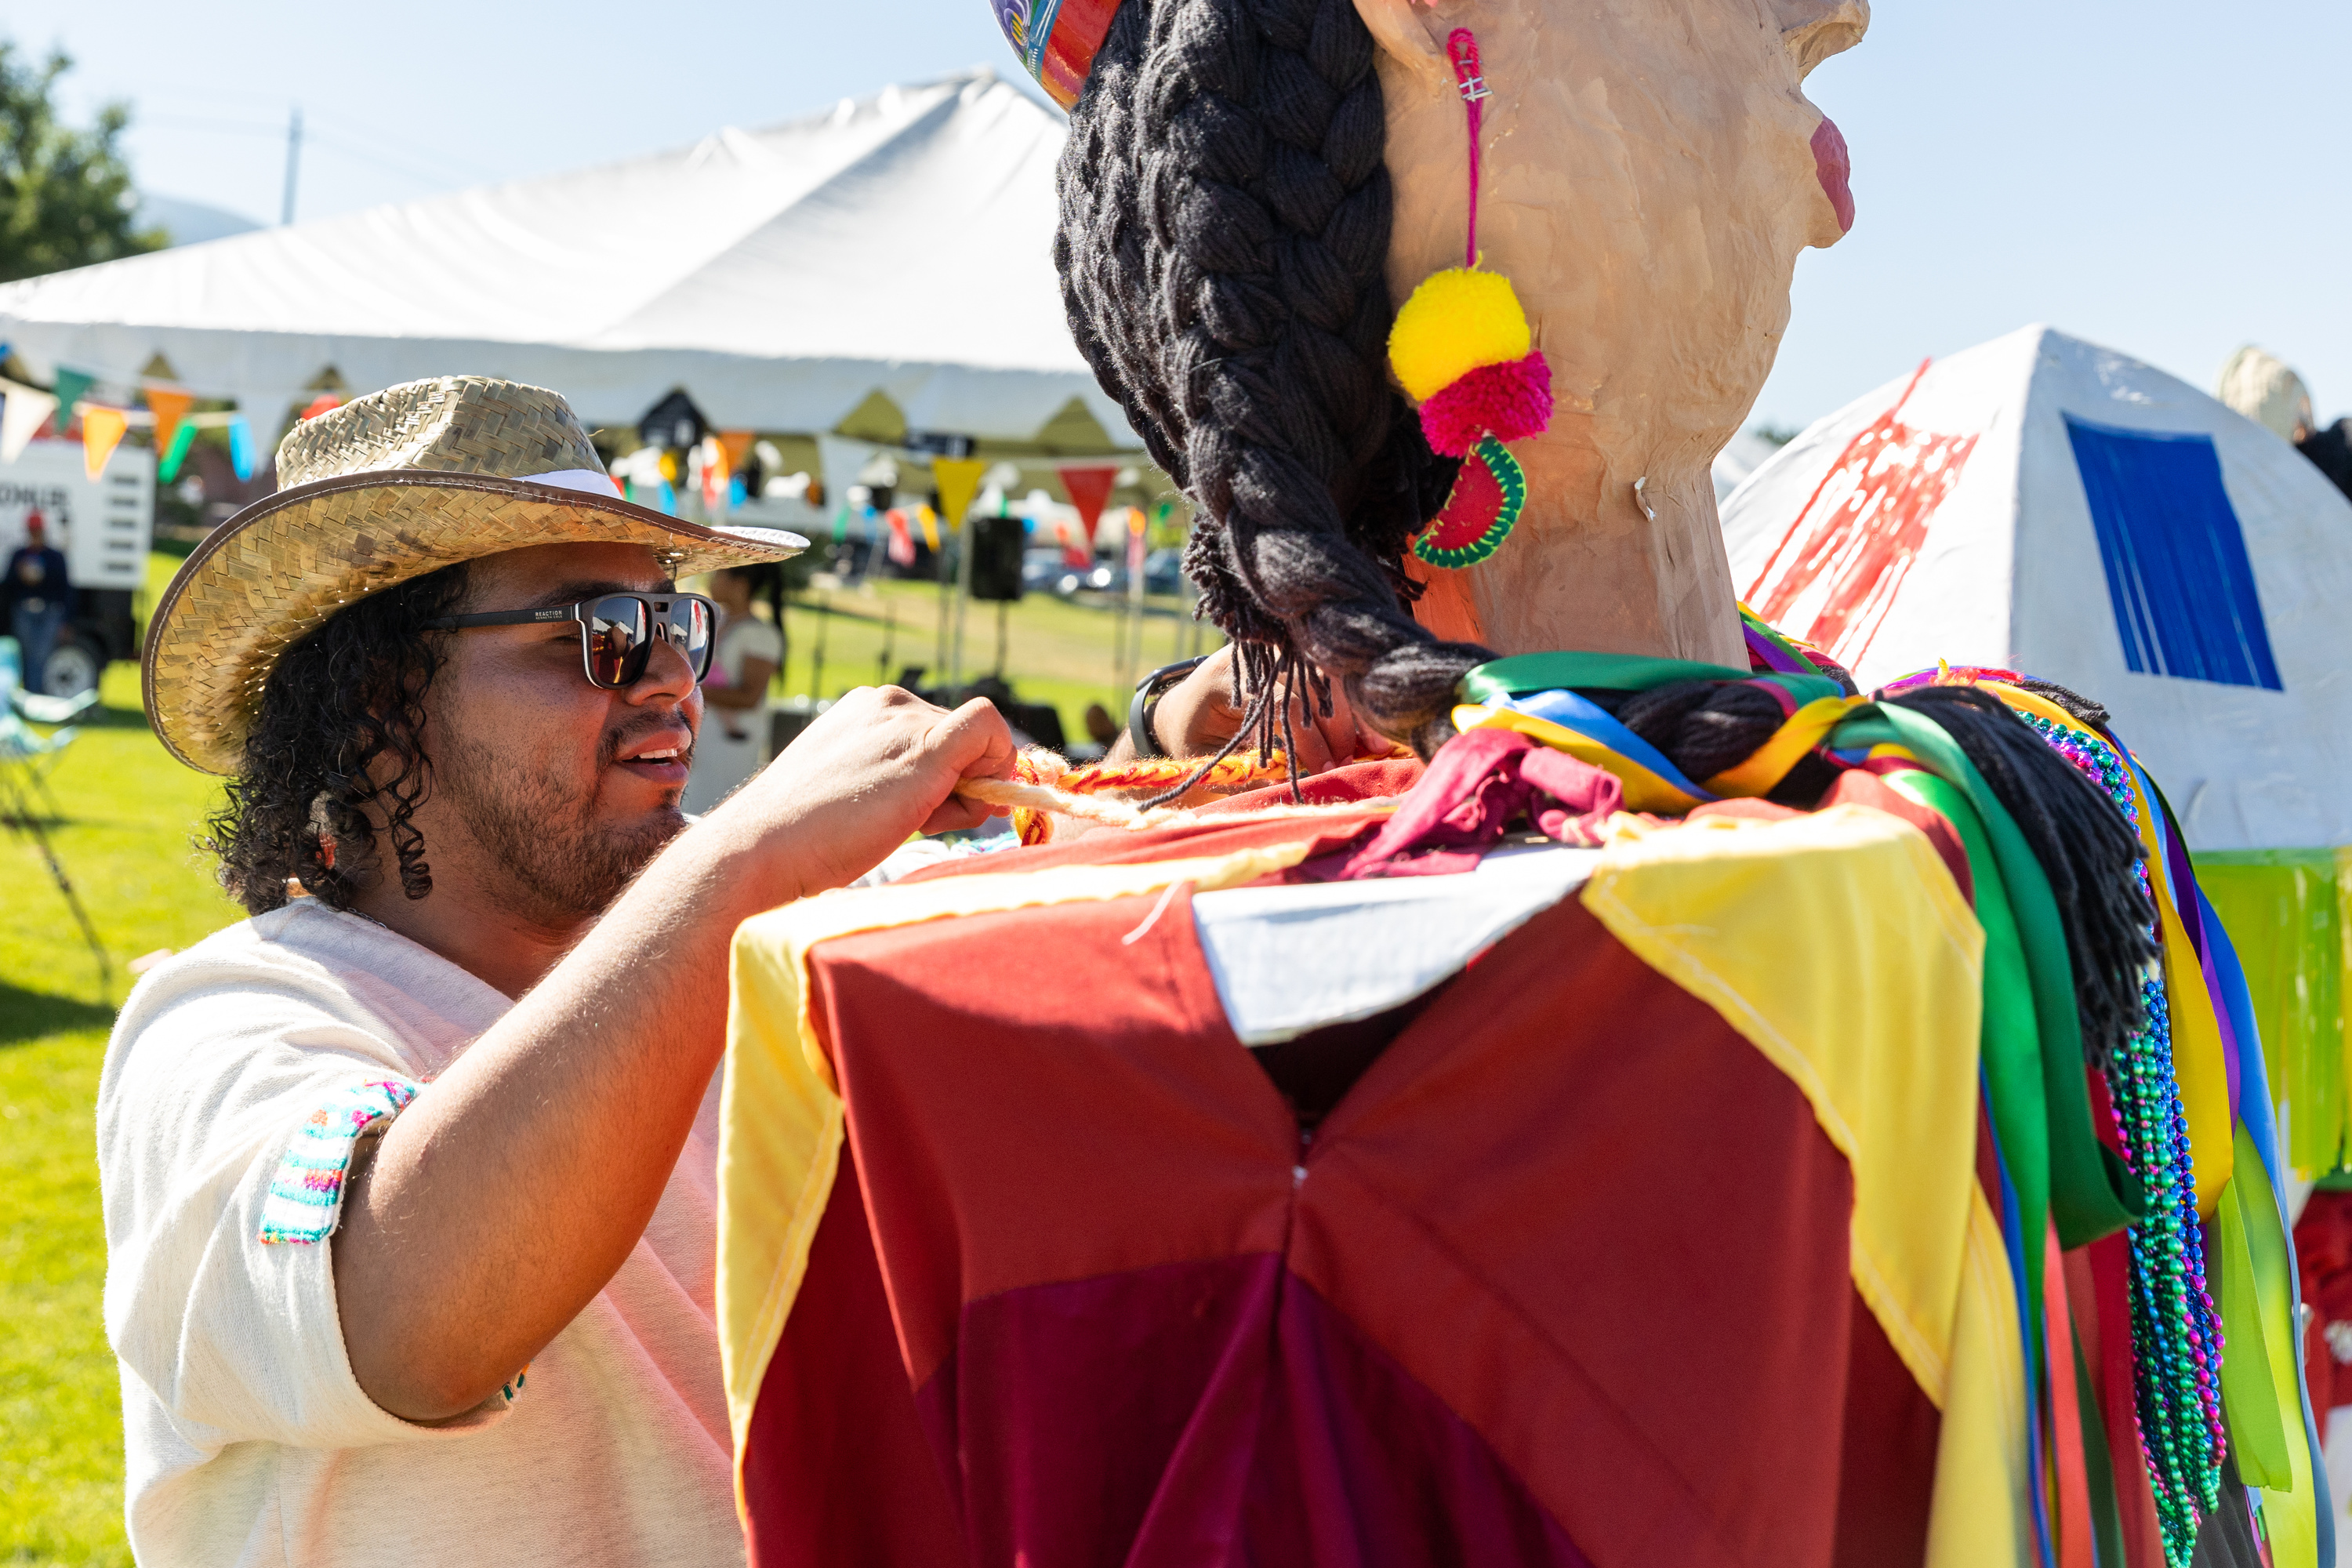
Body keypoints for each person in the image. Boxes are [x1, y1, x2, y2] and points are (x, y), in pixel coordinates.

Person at [99, 375, 1018, 1567]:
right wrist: (748, 857)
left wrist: (1166, 741)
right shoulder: (223, 1023)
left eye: (674, 624)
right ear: (385, 694)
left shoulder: (738, 942)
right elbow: (407, 1316)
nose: (671, 682)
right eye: (599, 637)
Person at [680, 564, 783, 815]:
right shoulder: (715, 622)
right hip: (699, 739)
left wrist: (689, 687)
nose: (711, 580)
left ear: (741, 584)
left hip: (728, 744)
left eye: (719, 574)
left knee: (712, 812)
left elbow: (749, 697)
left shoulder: (760, 635)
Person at [5, 509, 71, 693]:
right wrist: (21, 573)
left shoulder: (54, 557)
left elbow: (65, 589)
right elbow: (8, 586)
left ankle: (35, 694)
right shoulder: (19, 555)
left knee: (42, 655)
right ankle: (29, 693)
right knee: (26, 656)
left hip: (48, 612)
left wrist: (65, 621)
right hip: (24, 611)